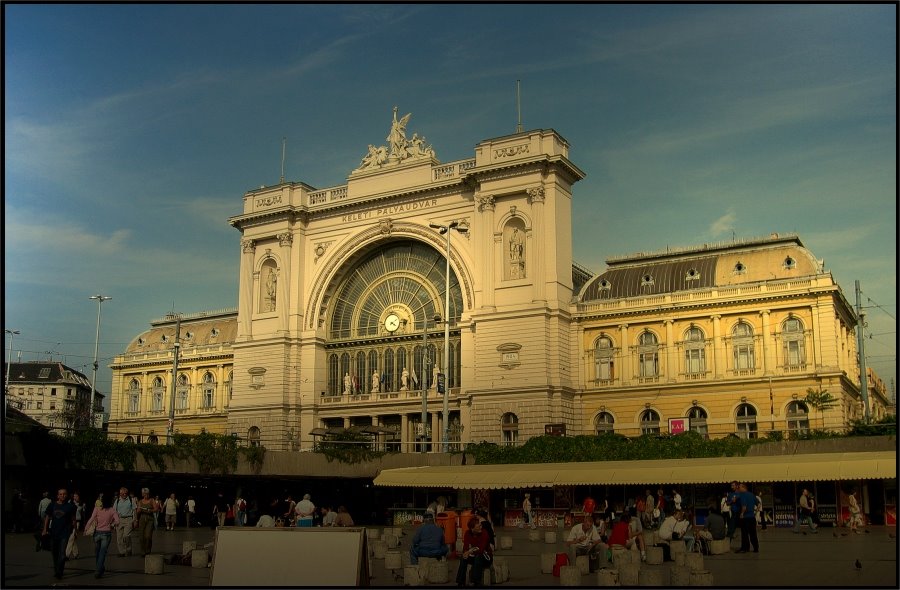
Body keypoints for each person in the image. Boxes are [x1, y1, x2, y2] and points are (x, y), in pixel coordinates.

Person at [84, 492, 120, 579]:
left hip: (97, 533)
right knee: (102, 553)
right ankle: (99, 569)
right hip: (106, 534)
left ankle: (99, 568)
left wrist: (86, 528)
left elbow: (91, 519)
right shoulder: (112, 510)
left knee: (97, 552)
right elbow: (118, 521)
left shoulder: (97, 509)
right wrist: (112, 524)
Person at [43, 489, 77, 580]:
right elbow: (47, 517)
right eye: (60, 494)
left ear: (67, 495)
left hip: (64, 534)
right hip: (53, 533)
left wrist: (75, 530)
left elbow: (74, 519)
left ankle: (59, 572)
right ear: (57, 496)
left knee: (62, 555)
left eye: (64, 494)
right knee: (54, 553)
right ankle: (56, 569)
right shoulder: (52, 505)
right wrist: (44, 529)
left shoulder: (70, 507)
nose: (62, 495)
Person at [456, 517, 492, 587]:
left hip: (486, 557)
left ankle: (476, 582)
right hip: (474, 556)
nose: (481, 527)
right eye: (478, 526)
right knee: (463, 558)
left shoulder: (484, 533)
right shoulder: (467, 533)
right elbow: (466, 548)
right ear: (472, 529)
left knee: (478, 557)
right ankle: (461, 582)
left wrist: (469, 552)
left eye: (481, 525)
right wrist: (466, 553)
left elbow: (481, 550)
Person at [736, 483, 759, 553]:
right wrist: (755, 512)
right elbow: (759, 504)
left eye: (739, 487)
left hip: (746, 517)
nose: (738, 489)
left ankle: (745, 548)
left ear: (744, 488)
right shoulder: (751, 494)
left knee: (745, 533)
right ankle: (756, 548)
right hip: (752, 517)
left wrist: (742, 514)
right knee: (753, 533)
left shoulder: (743, 495)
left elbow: (744, 506)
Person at [113, 487, 136, 557]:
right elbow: (114, 512)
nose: (124, 495)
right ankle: (122, 552)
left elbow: (134, 510)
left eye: (125, 493)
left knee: (126, 536)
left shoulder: (131, 500)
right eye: (122, 493)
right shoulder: (117, 501)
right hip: (119, 520)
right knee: (119, 537)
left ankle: (128, 550)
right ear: (120, 494)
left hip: (128, 519)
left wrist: (135, 520)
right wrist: (114, 521)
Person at [135, 488, 159, 556]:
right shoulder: (140, 501)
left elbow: (156, 509)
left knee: (148, 536)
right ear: (142, 494)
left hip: (149, 519)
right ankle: (143, 551)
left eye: (147, 494)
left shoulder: (152, 500)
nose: (146, 495)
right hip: (142, 519)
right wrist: (137, 519)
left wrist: (150, 510)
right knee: (141, 536)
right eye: (145, 494)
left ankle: (148, 550)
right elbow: (137, 512)